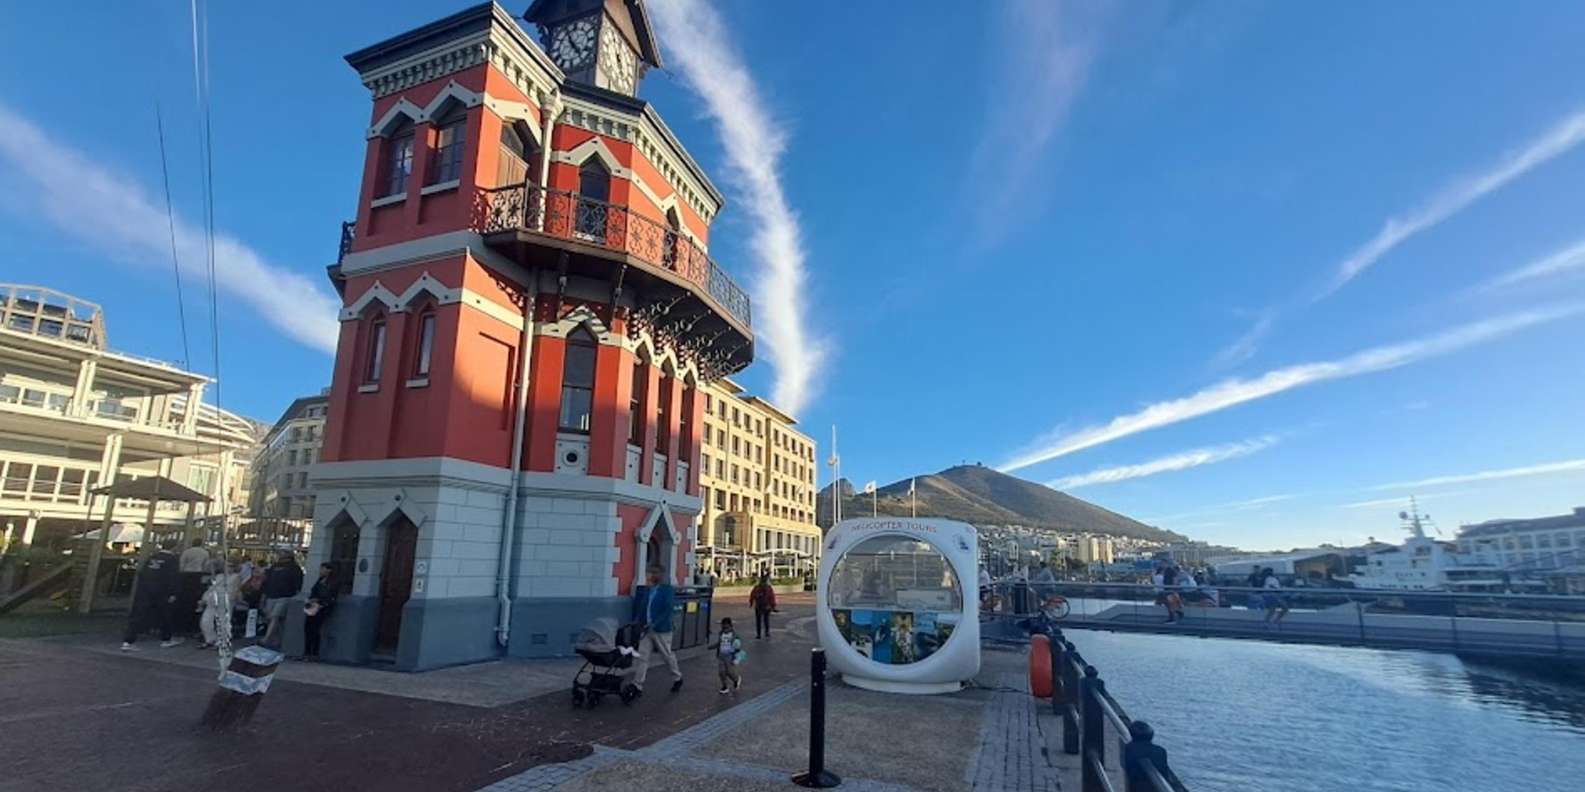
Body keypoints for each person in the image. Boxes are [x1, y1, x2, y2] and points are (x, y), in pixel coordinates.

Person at [628, 565, 683, 694]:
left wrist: (655, 623)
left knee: (666, 655)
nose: (649, 576)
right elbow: (643, 607)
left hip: (661, 629)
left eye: (652, 573)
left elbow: (667, 609)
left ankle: (677, 677)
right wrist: (636, 620)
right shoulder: (648, 590)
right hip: (647, 629)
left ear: (658, 575)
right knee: (643, 656)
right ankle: (637, 684)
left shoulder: (666, 590)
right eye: (649, 573)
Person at [121, 539, 183, 650]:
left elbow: (142, 573)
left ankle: (128, 640)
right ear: (174, 547)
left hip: (146, 590)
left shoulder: (152, 557)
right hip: (162, 591)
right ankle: (166, 639)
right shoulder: (172, 560)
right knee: (165, 614)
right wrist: (173, 592)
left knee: (138, 614)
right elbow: (173, 577)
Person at [260, 550, 304, 649]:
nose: (279, 554)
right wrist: (264, 595)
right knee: (272, 618)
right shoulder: (274, 566)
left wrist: (295, 593)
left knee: (275, 616)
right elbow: (267, 581)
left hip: (285, 595)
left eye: (282, 553)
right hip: (271, 595)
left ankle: (266, 639)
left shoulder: (294, 568)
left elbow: (298, 582)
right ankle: (277, 640)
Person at [199, 559, 241, 649]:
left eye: (231, 566)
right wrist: (204, 598)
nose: (228, 568)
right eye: (227, 566)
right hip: (212, 600)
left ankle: (222, 641)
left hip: (225, 600)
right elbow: (211, 588)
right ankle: (210, 639)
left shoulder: (236, 577)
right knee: (205, 621)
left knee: (223, 622)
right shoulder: (219, 576)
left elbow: (235, 591)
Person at [302, 563, 338, 660]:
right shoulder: (320, 580)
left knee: (315, 630)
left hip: (322, 608)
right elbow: (314, 591)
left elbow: (330, 596)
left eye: (323, 569)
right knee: (307, 628)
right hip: (313, 607)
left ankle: (314, 653)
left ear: (329, 570)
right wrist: (310, 600)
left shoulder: (332, 582)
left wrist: (319, 601)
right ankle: (307, 652)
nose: (321, 571)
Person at [177, 537, 209, 635]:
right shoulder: (205, 552)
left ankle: (180, 624)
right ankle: (192, 624)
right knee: (194, 599)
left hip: (186, 575)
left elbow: (181, 564)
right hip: (197, 576)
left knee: (183, 598)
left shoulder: (187, 552)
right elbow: (205, 565)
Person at [712, 616, 744, 694]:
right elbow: (719, 643)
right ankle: (725, 686)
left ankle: (736, 679)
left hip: (729, 656)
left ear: (730, 626)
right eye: (722, 625)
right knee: (721, 672)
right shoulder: (721, 633)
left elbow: (737, 646)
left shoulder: (734, 635)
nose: (724, 627)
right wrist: (712, 647)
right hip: (721, 655)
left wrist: (735, 656)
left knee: (729, 672)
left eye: (725, 626)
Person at [749, 572, 778, 639]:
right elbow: (772, 597)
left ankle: (759, 634)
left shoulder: (757, 588)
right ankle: (766, 633)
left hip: (759, 606)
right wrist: (773, 606)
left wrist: (751, 603)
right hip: (766, 606)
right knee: (766, 620)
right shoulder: (768, 588)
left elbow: (752, 595)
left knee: (759, 620)